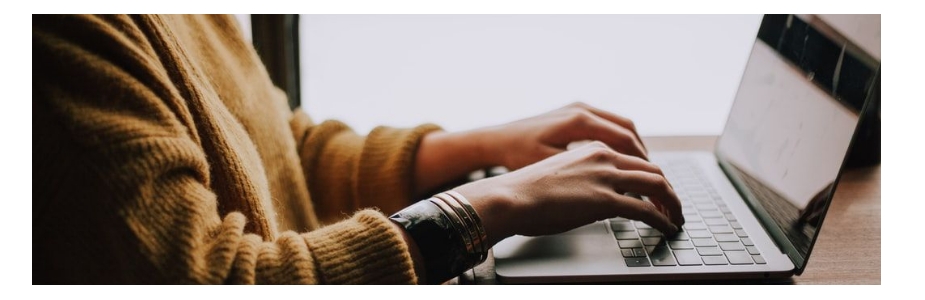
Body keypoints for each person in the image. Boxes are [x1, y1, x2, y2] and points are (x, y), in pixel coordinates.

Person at [33, 14, 683, 284]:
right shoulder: (62, 35)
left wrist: (483, 146)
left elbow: (281, 151)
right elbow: (218, 278)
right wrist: (484, 205)